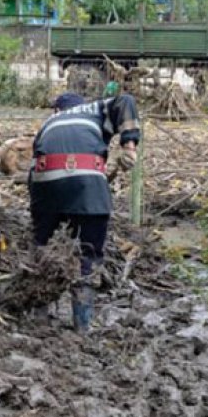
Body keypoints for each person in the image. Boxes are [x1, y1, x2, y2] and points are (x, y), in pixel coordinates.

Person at [28, 92, 141, 332]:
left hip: (45, 183)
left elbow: (33, 172)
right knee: (88, 253)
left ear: (56, 110)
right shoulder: (95, 110)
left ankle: (40, 318)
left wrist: (40, 217)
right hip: (88, 183)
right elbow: (126, 101)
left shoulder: (48, 124)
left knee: (43, 247)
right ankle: (83, 324)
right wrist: (129, 146)